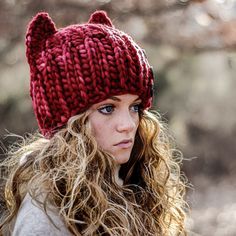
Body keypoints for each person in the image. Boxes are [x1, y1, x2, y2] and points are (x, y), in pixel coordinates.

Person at [0, 10, 187, 235]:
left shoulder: (132, 182)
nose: (128, 124)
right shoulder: (47, 217)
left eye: (135, 107)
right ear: (67, 123)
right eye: (107, 108)